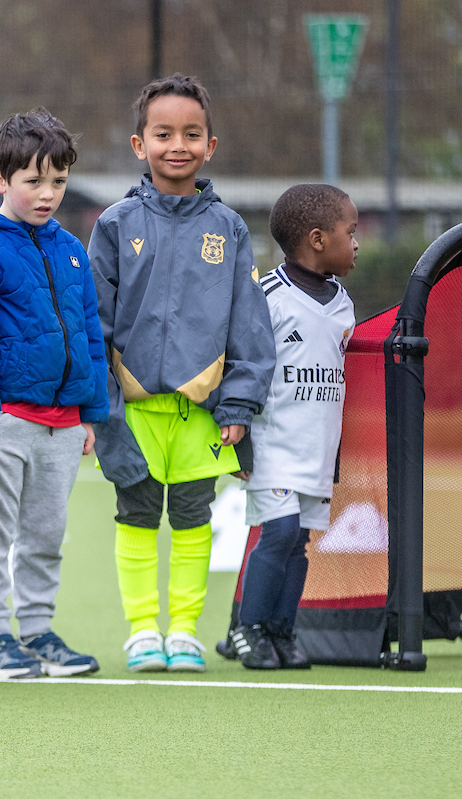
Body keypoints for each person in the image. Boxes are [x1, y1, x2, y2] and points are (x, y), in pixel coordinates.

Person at [88, 74, 275, 672]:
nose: (178, 144)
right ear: (139, 144)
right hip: (133, 410)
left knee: (194, 516)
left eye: (191, 134)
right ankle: (144, 631)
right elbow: (95, 322)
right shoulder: (115, 224)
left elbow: (250, 326)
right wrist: (103, 404)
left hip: (203, 413)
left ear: (210, 145)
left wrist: (240, 404)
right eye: (163, 133)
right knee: (137, 513)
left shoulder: (230, 228)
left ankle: (185, 631)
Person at [0, 108, 109, 680]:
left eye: (59, 182)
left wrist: (91, 412)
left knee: (46, 535)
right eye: (34, 181)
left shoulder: (71, 248)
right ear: (0, 180)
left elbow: (90, 329)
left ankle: (38, 631)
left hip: (65, 425)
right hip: (5, 422)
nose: (48, 194)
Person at [228, 184, 357, 669]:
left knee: (299, 542)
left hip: (316, 448)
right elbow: (239, 364)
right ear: (318, 239)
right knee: (278, 533)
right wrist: (237, 433)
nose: (358, 242)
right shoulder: (269, 296)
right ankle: (249, 628)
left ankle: (281, 632)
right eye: (352, 231)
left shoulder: (343, 303)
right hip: (272, 443)